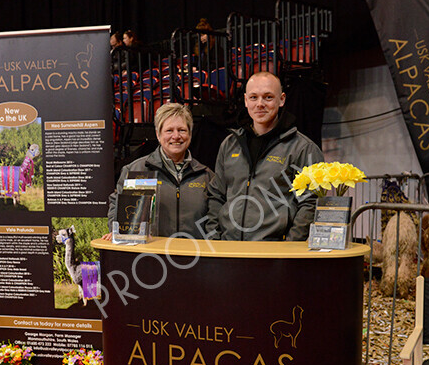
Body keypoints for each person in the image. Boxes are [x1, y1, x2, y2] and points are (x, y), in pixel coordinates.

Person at [205, 71, 323, 241]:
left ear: (281, 99)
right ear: (246, 100)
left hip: (274, 253)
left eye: (268, 97)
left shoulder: (303, 148)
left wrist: (290, 245)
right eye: (253, 97)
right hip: (229, 250)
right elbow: (217, 195)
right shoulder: (230, 144)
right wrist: (214, 238)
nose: (260, 104)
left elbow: (310, 203)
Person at [104, 103, 214, 239]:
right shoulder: (136, 170)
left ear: (190, 134)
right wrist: (117, 231)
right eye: (169, 131)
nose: (176, 136)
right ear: (158, 134)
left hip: (194, 256)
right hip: (152, 256)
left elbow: (214, 219)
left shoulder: (205, 175)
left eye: (182, 130)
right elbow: (118, 207)